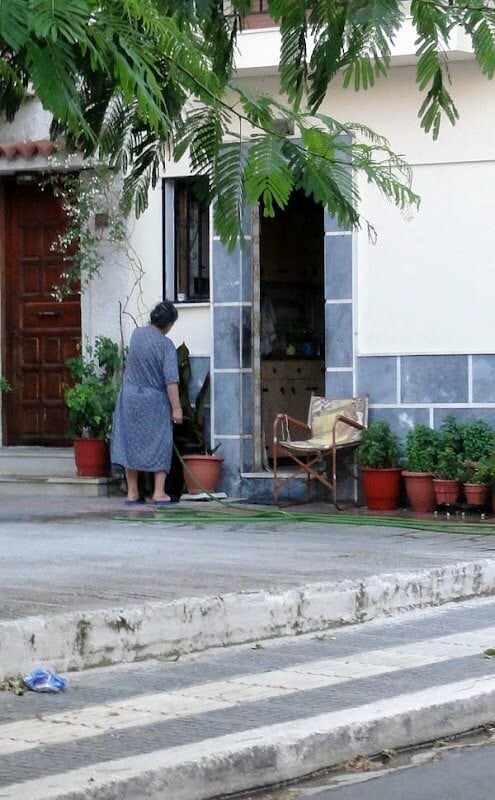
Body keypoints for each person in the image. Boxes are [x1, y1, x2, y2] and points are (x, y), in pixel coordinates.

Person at [111, 300, 183, 506]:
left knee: (130, 442)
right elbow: (171, 380)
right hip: (154, 400)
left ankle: (132, 493)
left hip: (130, 396)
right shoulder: (166, 345)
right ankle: (159, 493)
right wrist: (177, 408)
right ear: (169, 324)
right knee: (160, 442)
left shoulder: (136, 335)